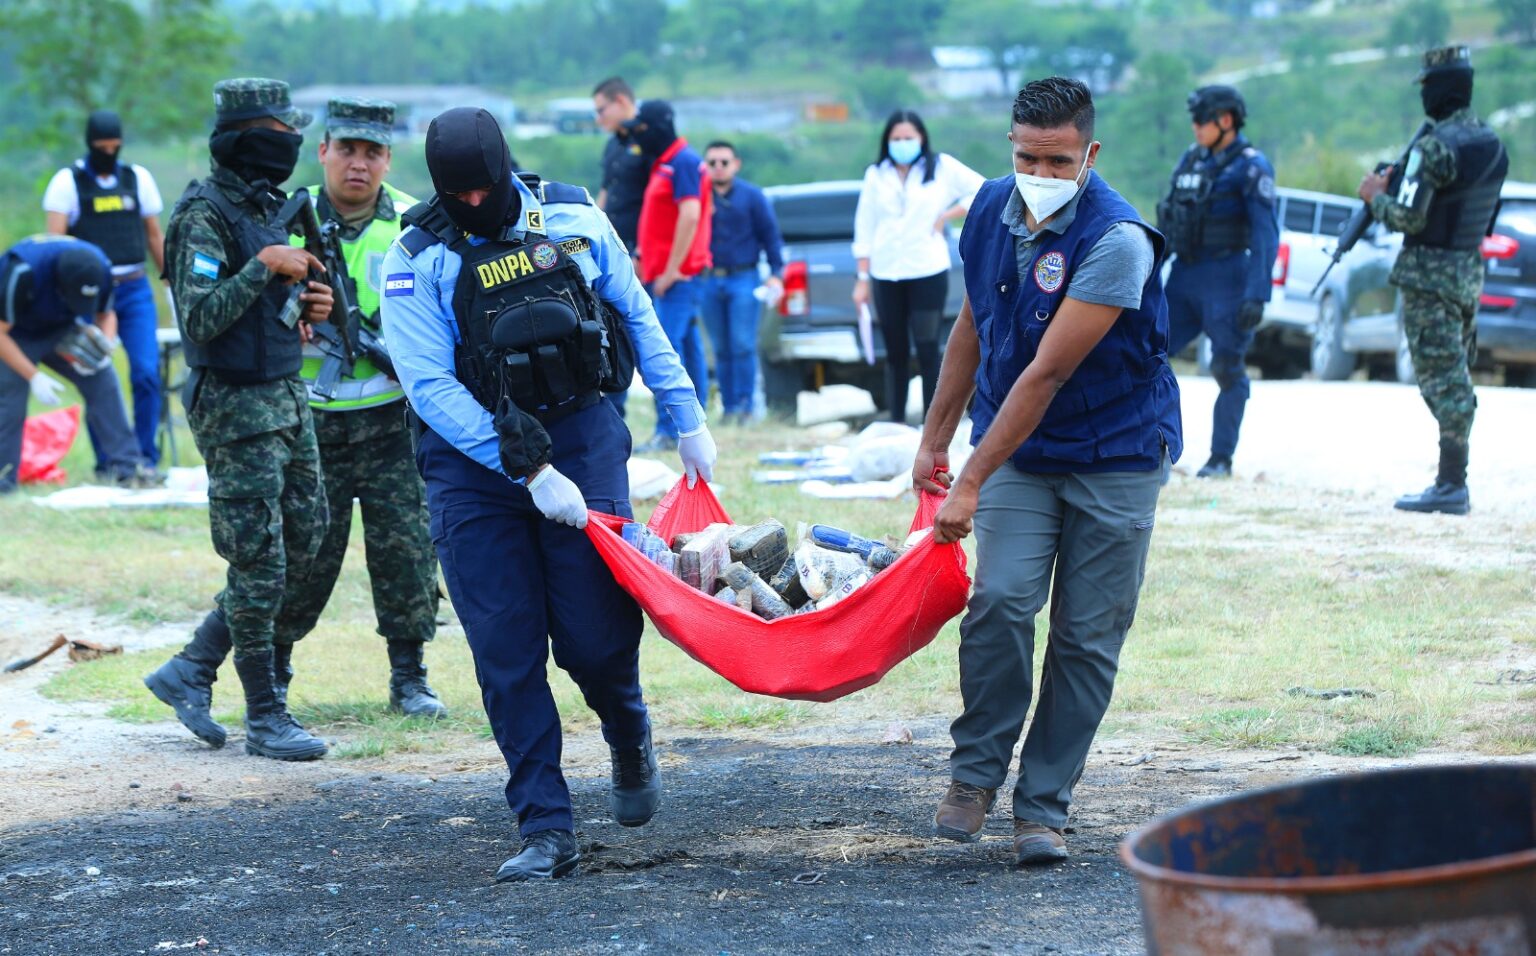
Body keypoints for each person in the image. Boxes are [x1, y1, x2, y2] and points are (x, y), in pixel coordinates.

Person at [379, 107, 716, 882]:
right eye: (457, 194)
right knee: (506, 649)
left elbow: (636, 312)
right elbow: (430, 388)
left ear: (506, 169)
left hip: (581, 435)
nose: (473, 203)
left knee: (593, 635)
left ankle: (626, 727)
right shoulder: (416, 257)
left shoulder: (571, 219)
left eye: (484, 188)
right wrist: (527, 471)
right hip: (473, 465)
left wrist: (686, 415)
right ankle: (544, 825)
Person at [913, 77, 1181, 867]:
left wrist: (970, 480)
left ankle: (1043, 806)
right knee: (999, 600)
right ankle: (975, 775)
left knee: (1086, 636)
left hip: (1115, 452)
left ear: (1089, 153)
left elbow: (1048, 374)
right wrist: (934, 439)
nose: (1041, 174)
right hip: (1022, 453)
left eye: (1059, 161)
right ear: (1011, 145)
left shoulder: (1118, 241)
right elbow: (973, 324)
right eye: (1029, 157)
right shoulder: (988, 210)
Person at [143, 97, 447, 733]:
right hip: (301, 412)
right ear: (324, 152)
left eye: (372, 153)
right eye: (347, 150)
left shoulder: (412, 223)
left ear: (388, 159)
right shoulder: (281, 214)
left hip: (388, 416)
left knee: (407, 552)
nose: (358, 164)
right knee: (296, 558)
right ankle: (270, 676)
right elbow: (210, 309)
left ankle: (409, 675)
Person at [141, 78, 333, 762]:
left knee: (306, 540)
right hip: (235, 409)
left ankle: (192, 667)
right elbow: (198, 317)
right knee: (258, 561)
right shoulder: (203, 215)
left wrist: (305, 305)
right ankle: (265, 715)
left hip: (285, 396)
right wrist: (262, 266)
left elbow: (265, 308)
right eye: (282, 133)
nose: (293, 144)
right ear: (249, 139)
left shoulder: (267, 207)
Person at [1358, 46, 1507, 516]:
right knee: (1455, 372)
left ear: (1438, 90)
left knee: (1444, 381)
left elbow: (1409, 218)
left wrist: (1374, 197)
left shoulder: (1435, 147)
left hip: (1429, 278)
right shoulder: (1492, 143)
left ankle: (1451, 485)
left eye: (1427, 87)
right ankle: (1451, 481)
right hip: (1467, 275)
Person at [1157, 85, 1279, 479]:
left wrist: (1257, 294)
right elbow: (1169, 219)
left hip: (1227, 278)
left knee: (1227, 367)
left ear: (1226, 120)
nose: (1195, 126)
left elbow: (1265, 234)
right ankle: (1149, 449)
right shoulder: (1191, 160)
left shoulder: (1251, 166)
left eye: (1201, 119)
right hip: (1185, 275)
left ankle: (1220, 459)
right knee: (1148, 354)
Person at [44, 109, 169, 471]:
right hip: (89, 295)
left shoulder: (137, 179)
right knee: (96, 375)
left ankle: (145, 458)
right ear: (90, 144)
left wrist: (170, 282)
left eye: (115, 147)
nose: (109, 153)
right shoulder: (67, 183)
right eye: (102, 147)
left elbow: (154, 235)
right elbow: (55, 246)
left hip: (134, 290)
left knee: (146, 373)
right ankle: (110, 462)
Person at [852, 110, 984, 423]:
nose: (902, 144)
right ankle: (897, 419)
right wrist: (862, 277)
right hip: (886, 271)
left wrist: (948, 214)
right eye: (896, 138)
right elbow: (864, 225)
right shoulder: (876, 174)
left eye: (908, 138)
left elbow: (983, 188)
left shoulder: (941, 167)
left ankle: (931, 421)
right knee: (895, 351)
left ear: (921, 138)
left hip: (927, 268)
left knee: (927, 348)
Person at [0, 236, 151, 492]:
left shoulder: (100, 267)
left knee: (103, 380)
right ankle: (3, 481)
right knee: (9, 398)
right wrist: (34, 376)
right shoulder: (20, 271)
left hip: (61, 328)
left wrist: (105, 347)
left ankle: (128, 469)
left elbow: (106, 314)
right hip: (14, 334)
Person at [625, 99, 712, 452]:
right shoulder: (665, 162)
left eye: (642, 128)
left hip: (678, 278)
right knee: (689, 351)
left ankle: (668, 430)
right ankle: (695, 422)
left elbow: (690, 215)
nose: (638, 136)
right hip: (665, 274)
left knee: (664, 355)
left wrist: (673, 268)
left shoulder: (683, 161)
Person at [698, 140, 783, 425]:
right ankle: (730, 407)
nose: (718, 167)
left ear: (736, 164)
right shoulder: (698, 196)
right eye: (712, 163)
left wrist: (776, 272)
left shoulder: (752, 196)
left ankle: (747, 406)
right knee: (720, 349)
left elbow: (771, 236)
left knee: (743, 344)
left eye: (724, 162)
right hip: (709, 279)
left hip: (744, 278)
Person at [591, 77, 647, 256]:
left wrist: (642, 251)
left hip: (640, 247)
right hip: (613, 242)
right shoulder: (613, 144)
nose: (599, 119)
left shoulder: (649, 141)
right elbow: (605, 190)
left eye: (601, 111)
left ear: (620, 101)